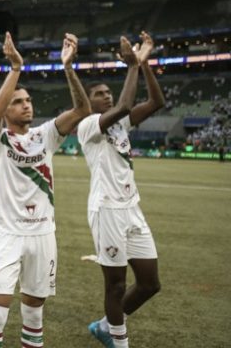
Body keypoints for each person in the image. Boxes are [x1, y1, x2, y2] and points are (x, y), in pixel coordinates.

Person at [0, 32, 90, 348]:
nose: (26, 105)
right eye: (18, 101)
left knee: (33, 317)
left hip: (42, 235)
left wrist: (68, 67)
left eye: (28, 100)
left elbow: (81, 110)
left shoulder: (46, 135)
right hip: (6, 235)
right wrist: (15, 68)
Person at [80, 33, 165, 348]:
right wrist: (131, 65)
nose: (107, 96)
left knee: (150, 283)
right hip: (107, 210)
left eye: (108, 92)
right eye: (100, 94)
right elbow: (127, 103)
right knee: (115, 286)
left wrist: (144, 65)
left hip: (132, 209)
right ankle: (119, 341)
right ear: (88, 103)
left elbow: (157, 102)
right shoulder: (87, 126)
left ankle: (105, 326)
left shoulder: (121, 123)